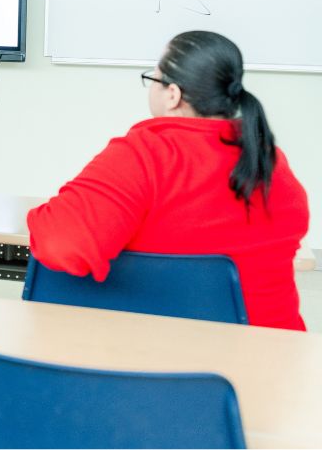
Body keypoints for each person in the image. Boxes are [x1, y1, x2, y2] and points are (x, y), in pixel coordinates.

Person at [27, 30, 309, 331]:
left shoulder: (145, 154)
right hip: (272, 363)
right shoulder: (270, 162)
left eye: (154, 79)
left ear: (173, 94)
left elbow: (62, 244)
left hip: (157, 363)